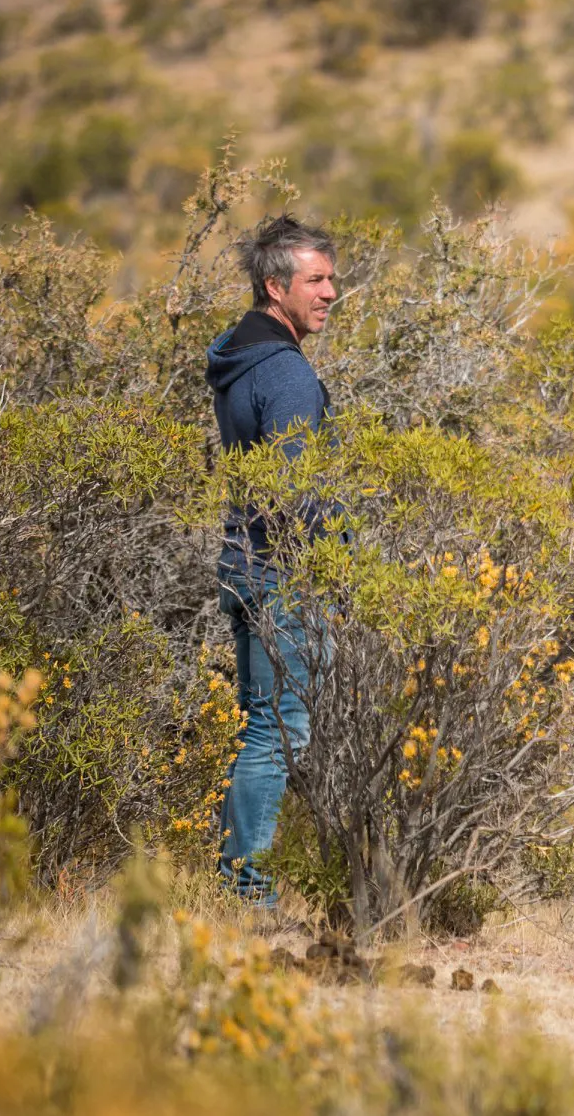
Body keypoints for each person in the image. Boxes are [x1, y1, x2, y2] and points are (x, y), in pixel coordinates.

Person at [205, 214, 338, 905]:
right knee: (278, 729)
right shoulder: (283, 373)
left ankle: (239, 881)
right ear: (275, 285)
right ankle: (247, 890)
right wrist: (340, 561)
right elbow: (296, 495)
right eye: (316, 280)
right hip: (280, 575)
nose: (329, 293)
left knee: (265, 724)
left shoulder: (237, 355)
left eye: (331, 280)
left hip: (244, 566)